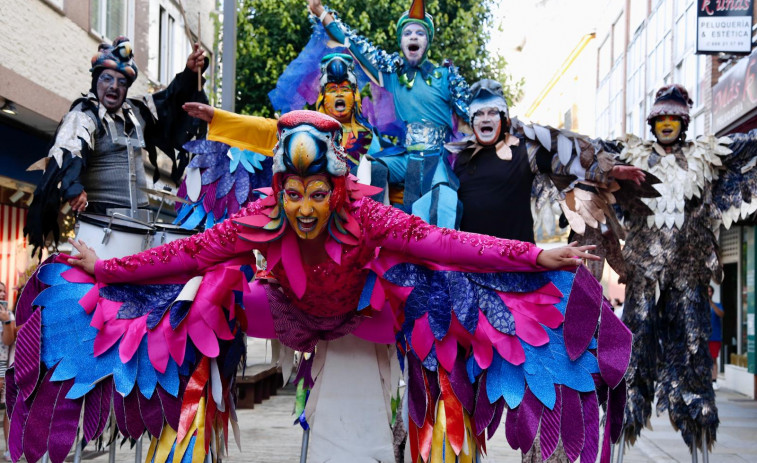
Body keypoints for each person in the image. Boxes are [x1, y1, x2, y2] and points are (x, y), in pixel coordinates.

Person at [9, 111, 631, 463]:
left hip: (365, 317)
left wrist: (534, 253)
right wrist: (104, 271)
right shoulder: (260, 217)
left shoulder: (370, 217)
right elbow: (186, 254)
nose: (303, 208)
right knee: (203, 293)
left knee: (439, 290)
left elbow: (451, 244)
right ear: (277, 188)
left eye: (315, 193)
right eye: (291, 192)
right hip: (286, 315)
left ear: (336, 187)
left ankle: (431, 433)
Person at [618, 84, 757, 452]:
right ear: (652, 123)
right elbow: (581, 155)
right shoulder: (628, 157)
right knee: (632, 359)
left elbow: (749, 145)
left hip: (689, 278)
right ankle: (624, 419)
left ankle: (697, 429)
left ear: (683, 122)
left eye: (673, 118)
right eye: (660, 117)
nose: (666, 124)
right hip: (643, 280)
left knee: (694, 362)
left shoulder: (706, 158)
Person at [25, 36, 208, 254]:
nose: (114, 87)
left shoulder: (136, 111)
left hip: (141, 226)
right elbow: (68, 154)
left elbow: (169, 101)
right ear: (95, 80)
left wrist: (189, 73)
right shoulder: (83, 115)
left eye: (122, 83)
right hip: (102, 226)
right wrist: (73, 188)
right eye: (107, 79)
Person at [307, 0, 470, 229]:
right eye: (408, 32)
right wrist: (321, 12)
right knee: (369, 166)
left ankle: (442, 259)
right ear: (401, 41)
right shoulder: (393, 75)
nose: (413, 37)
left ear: (428, 41)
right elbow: (353, 45)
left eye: (420, 33)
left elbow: (473, 117)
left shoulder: (445, 77)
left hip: (435, 158)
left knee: (441, 204)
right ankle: (371, 229)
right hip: (407, 157)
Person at [0, 282, 15, 462]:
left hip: (3, 365)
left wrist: (6, 321)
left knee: (8, 410)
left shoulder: (8, 314)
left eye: (4, 291)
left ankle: (9, 449)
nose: (2, 294)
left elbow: (9, 341)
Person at [708, 285, 724, 391]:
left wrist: (712, 305)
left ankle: (714, 381)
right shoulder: (699, 306)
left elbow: (721, 314)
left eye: (710, 291)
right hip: (703, 338)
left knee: (713, 359)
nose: (708, 293)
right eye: (707, 291)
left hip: (714, 337)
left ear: (712, 293)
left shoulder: (717, 305)